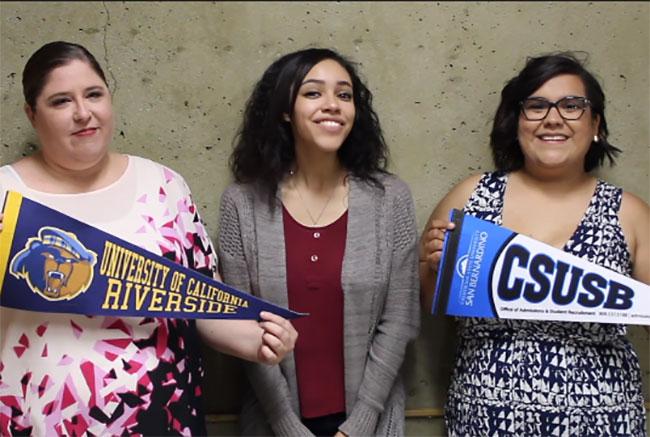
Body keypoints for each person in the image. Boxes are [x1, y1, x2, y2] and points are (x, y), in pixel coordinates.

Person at [0, 41, 297, 436]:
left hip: (162, 417)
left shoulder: (164, 187)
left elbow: (201, 303)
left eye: (94, 94)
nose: (83, 113)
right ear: (32, 115)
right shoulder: (5, 197)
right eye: (60, 101)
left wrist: (258, 340)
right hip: (40, 422)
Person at [420, 52, 649, 436]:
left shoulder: (630, 212)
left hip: (604, 420)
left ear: (596, 125)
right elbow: (429, 304)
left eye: (572, 106)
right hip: (485, 419)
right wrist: (432, 266)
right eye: (537, 106)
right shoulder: (471, 197)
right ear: (516, 123)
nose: (553, 118)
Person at [217, 47, 420, 436]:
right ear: (284, 110)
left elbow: (400, 321)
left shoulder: (390, 199)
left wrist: (358, 425)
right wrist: (285, 424)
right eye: (313, 93)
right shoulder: (241, 205)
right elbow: (242, 327)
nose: (332, 105)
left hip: (370, 424)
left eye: (344, 95)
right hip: (274, 423)